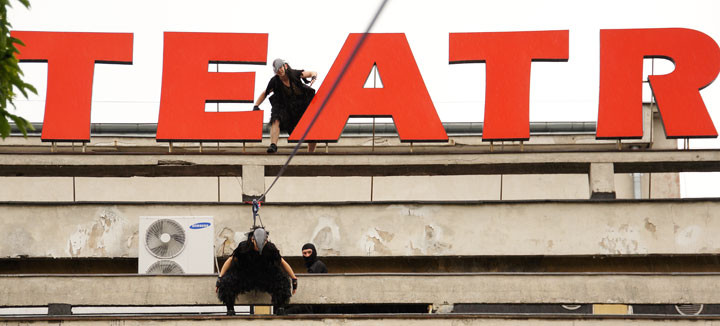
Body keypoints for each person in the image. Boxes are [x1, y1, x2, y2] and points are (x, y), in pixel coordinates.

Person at [216, 227, 298, 316]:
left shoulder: (270, 248)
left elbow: (282, 262)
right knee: (226, 282)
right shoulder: (244, 248)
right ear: (252, 240)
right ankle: (230, 309)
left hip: (264, 275)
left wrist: (294, 279)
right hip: (245, 275)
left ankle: (280, 308)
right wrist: (220, 278)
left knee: (283, 280)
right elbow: (230, 260)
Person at [253, 58, 318, 153]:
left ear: (285, 66)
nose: (280, 71)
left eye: (281, 68)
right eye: (277, 70)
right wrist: (256, 105)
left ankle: (311, 153)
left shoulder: (294, 74)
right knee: (276, 117)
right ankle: (273, 145)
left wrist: (313, 77)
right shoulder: (274, 81)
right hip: (287, 109)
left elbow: (312, 72)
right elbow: (265, 93)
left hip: (302, 105)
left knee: (312, 128)